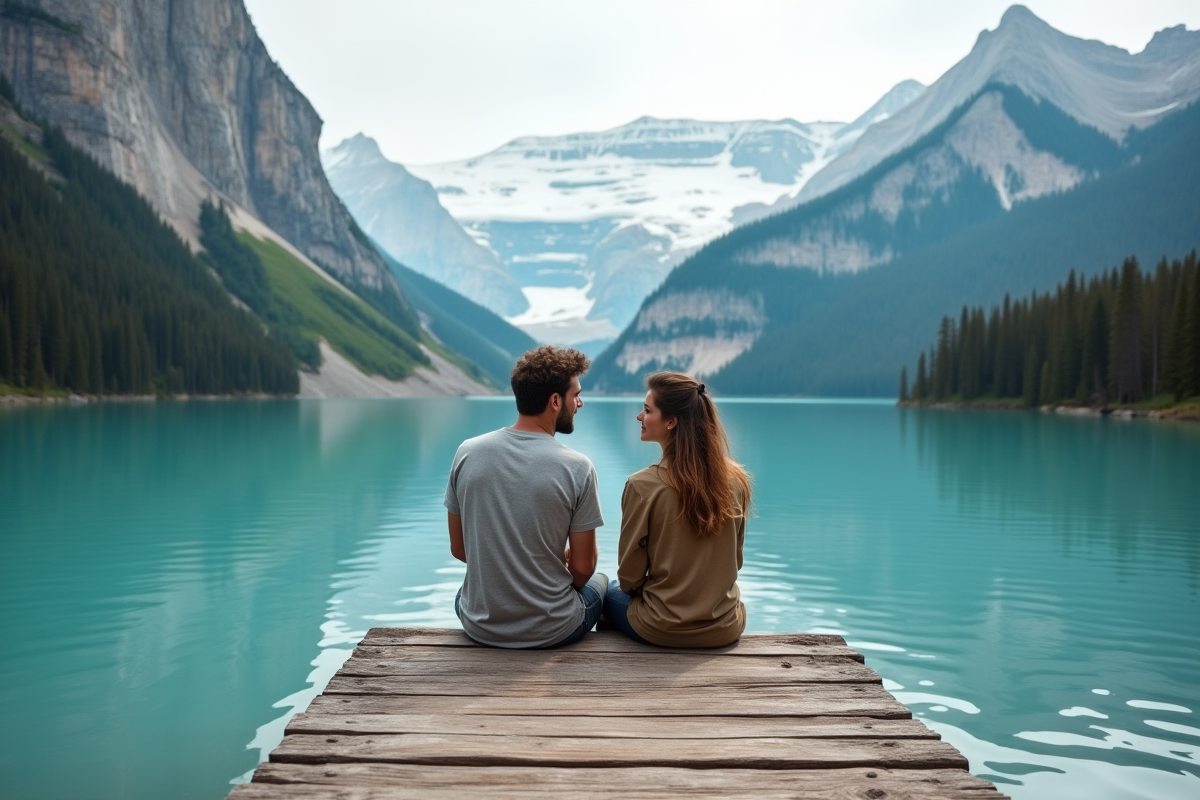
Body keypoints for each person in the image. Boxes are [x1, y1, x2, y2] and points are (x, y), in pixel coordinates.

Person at [444, 345, 607, 648]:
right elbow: (583, 569)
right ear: (555, 401)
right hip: (553, 630)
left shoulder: (467, 451)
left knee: (465, 591)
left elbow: (460, 549)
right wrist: (548, 571)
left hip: (480, 625)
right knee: (604, 584)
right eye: (576, 395)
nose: (580, 402)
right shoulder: (578, 467)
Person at [602, 372, 751, 647]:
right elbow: (735, 562)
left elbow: (629, 580)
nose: (639, 417)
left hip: (661, 627)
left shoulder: (642, 486)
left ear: (671, 421)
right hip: (725, 627)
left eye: (647, 410)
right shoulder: (736, 481)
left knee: (605, 592)